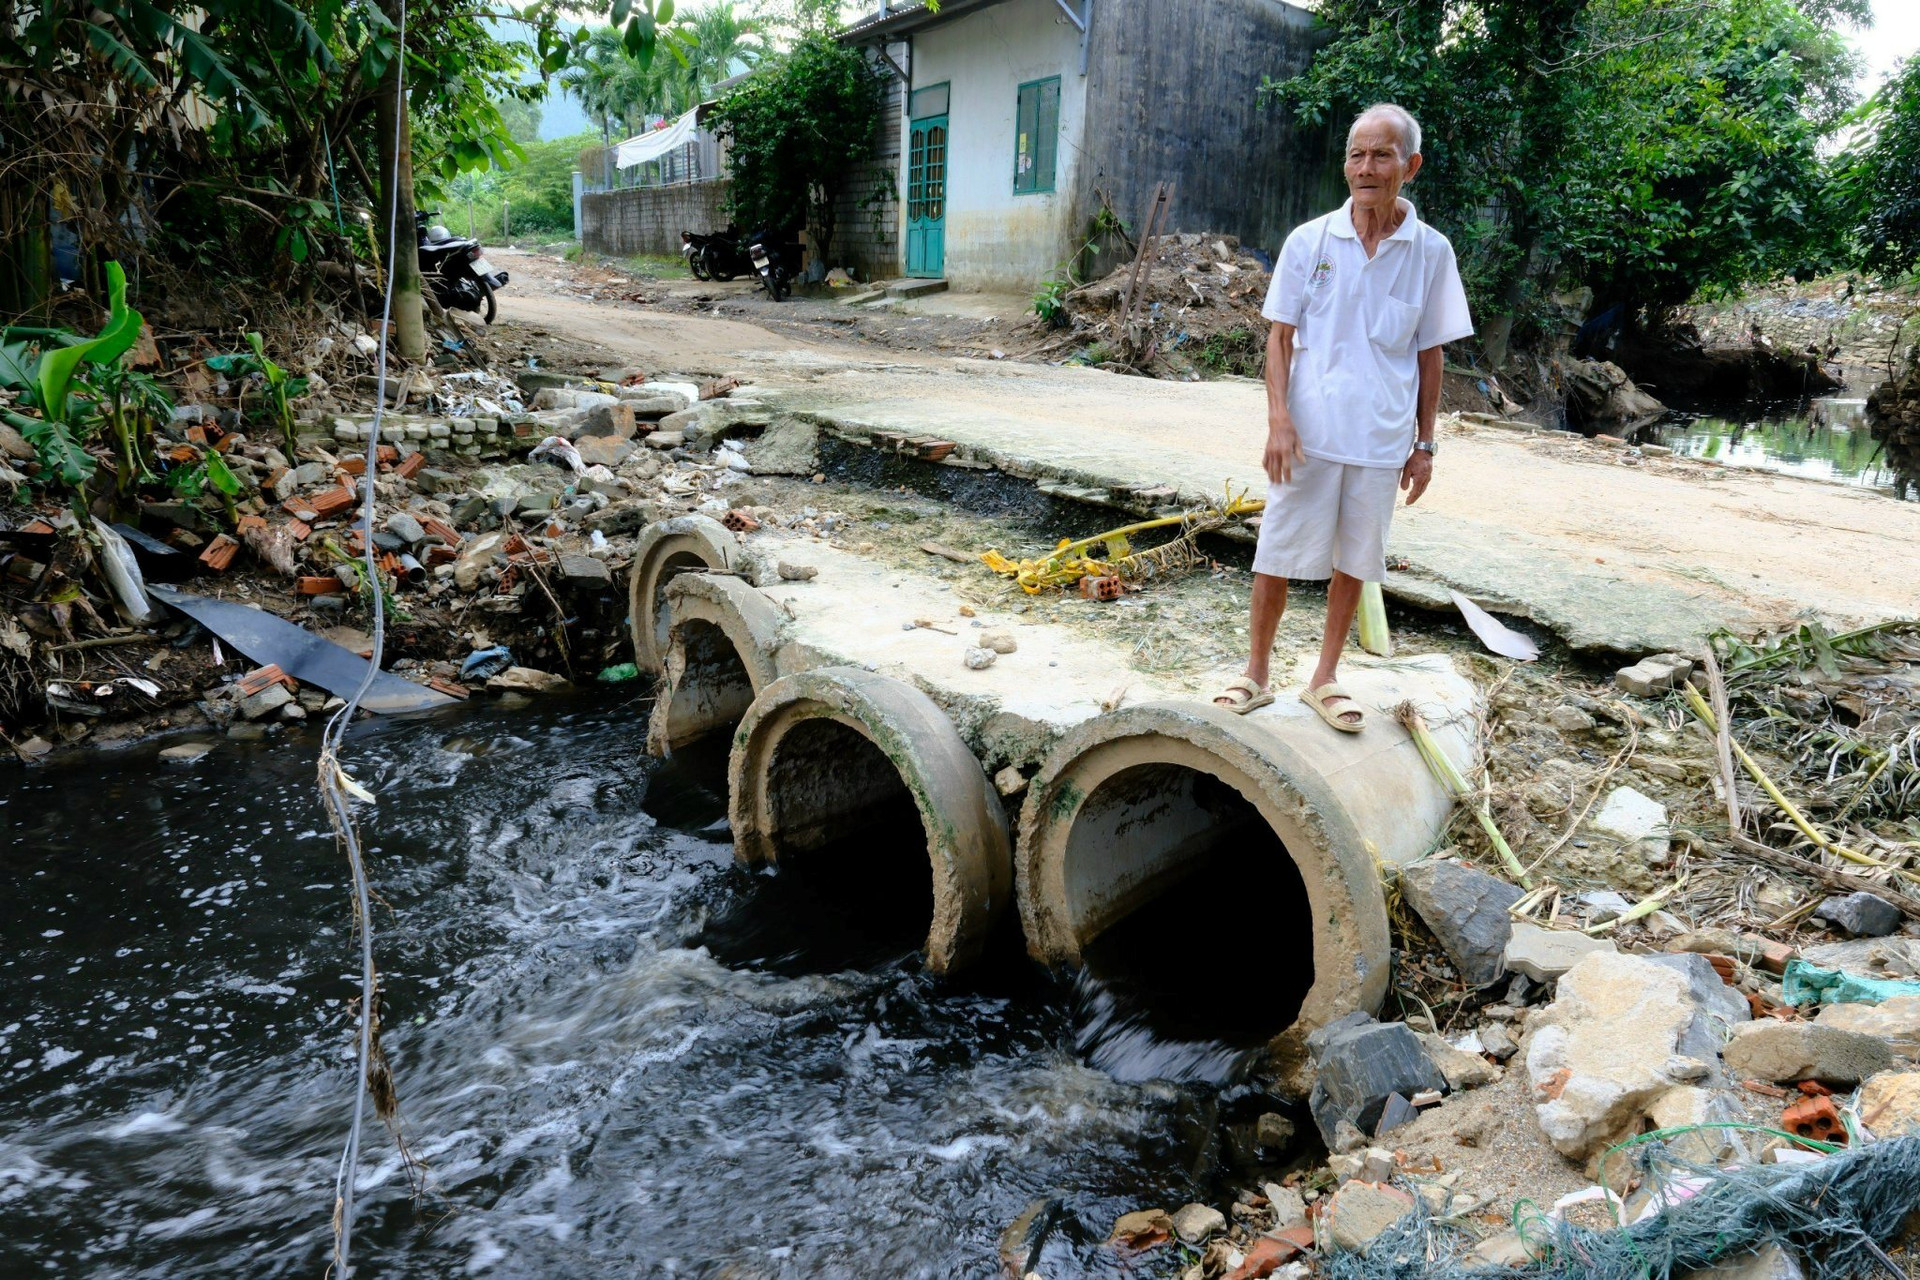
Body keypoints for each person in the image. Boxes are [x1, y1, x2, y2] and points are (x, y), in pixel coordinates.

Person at [1213, 103, 1473, 731]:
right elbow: (1280, 338)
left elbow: (1429, 352)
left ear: (1409, 166)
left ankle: (1324, 678)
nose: (1366, 167)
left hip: (1382, 439)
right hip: (1306, 433)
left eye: (1381, 155)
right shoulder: (1310, 240)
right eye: (1357, 154)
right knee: (1275, 551)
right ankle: (1255, 672)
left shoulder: (1430, 252)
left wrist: (1426, 444)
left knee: (1356, 559)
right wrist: (1278, 420)